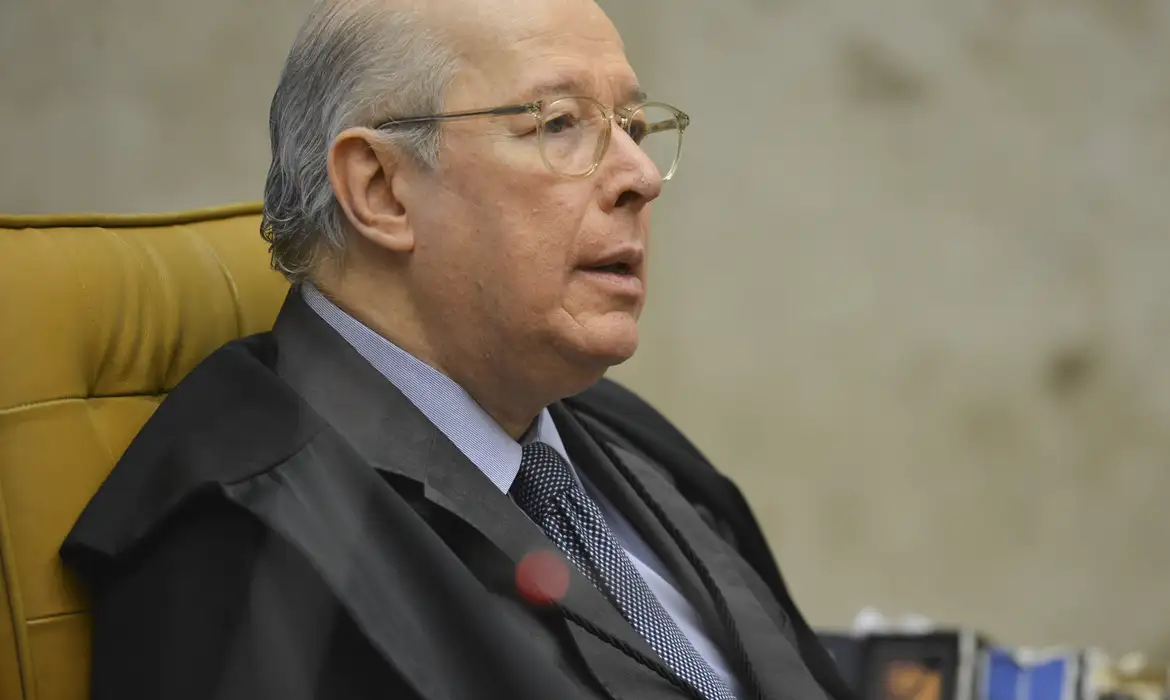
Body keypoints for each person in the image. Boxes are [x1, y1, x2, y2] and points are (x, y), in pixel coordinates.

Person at [62, 0, 853, 698]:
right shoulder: (243, 538)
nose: (642, 176)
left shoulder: (622, 434)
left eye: (634, 128)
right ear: (381, 189)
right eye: (559, 123)